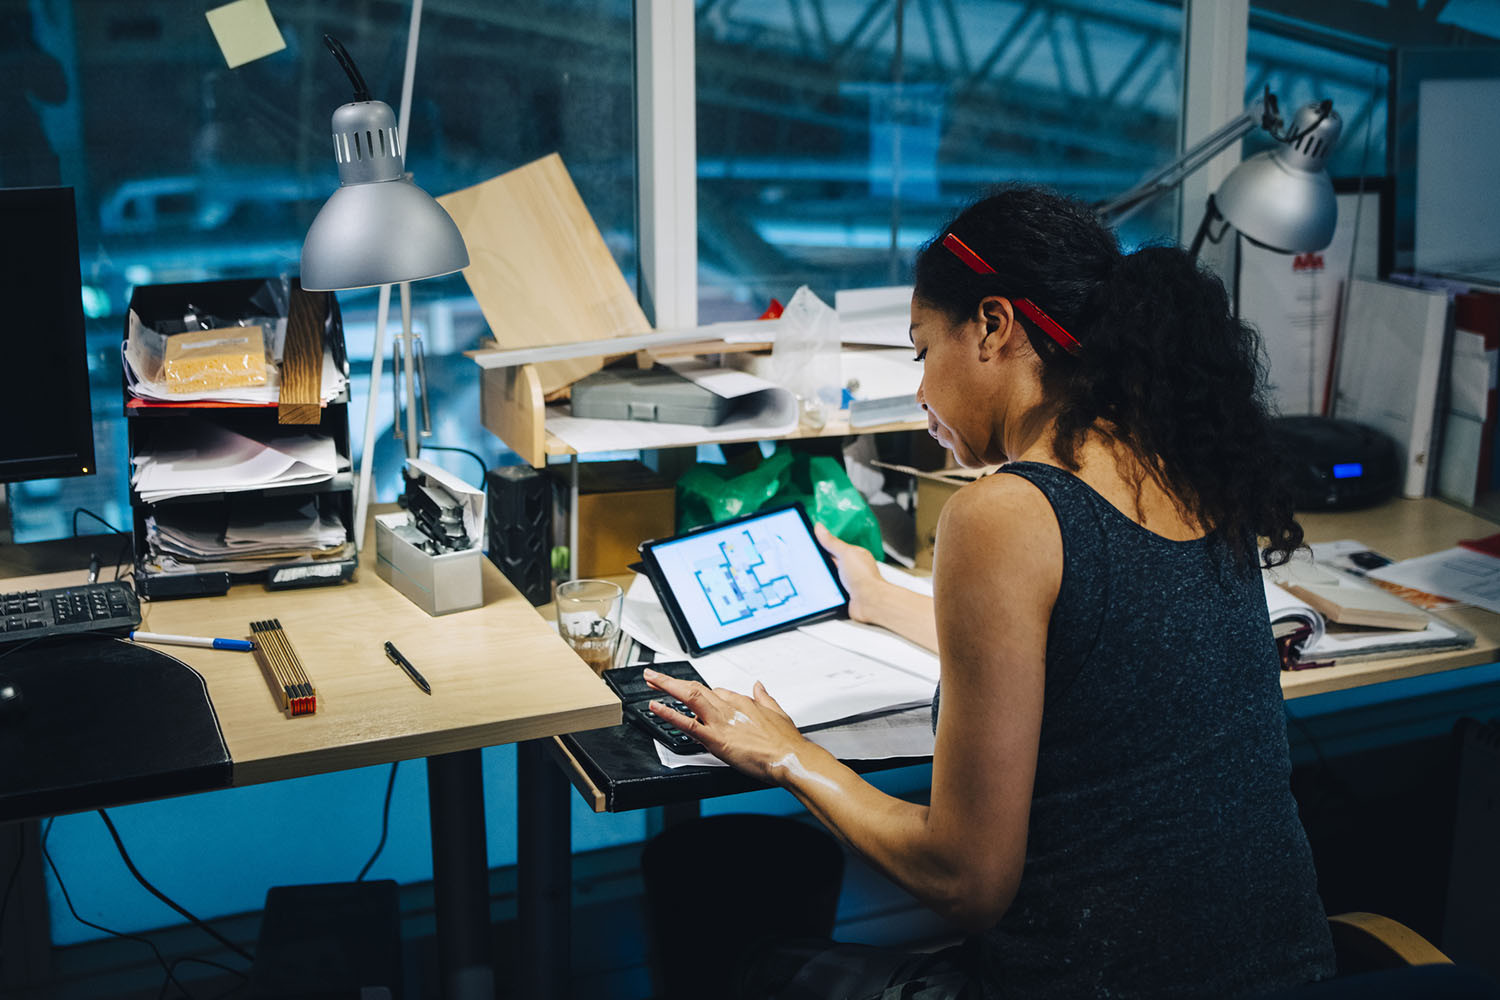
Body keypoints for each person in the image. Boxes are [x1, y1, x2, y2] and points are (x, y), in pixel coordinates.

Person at [643, 185, 1337, 999]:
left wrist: (788, 753)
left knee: (746, 964)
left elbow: (965, 882)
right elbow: (1096, 646)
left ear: (994, 327)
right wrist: (878, 597)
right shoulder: (1190, 461)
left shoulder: (1005, 513)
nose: (924, 388)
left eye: (920, 351)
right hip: (1291, 978)